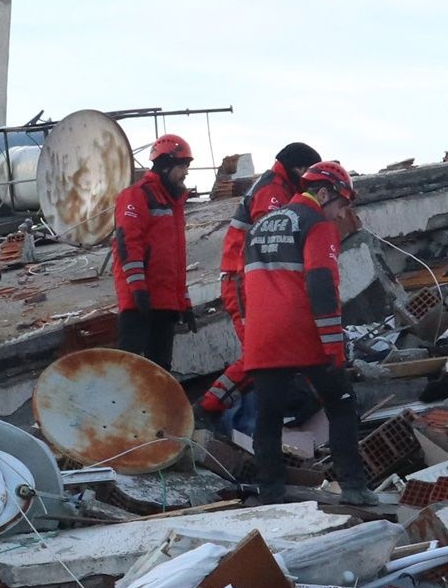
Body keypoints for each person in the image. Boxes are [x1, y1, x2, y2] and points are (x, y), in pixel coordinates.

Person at [230, 160, 371, 504]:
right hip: (304, 334)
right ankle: (353, 488)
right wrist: (334, 348)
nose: (341, 215)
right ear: (323, 194)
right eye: (341, 204)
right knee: (342, 406)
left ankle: (271, 494)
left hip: (263, 338)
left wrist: (251, 334)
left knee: (269, 417)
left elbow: (239, 288)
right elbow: (322, 286)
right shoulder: (317, 225)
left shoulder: (258, 227)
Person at [112, 133, 197, 371]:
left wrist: (185, 302)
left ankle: (156, 409)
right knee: (132, 370)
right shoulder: (138, 195)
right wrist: (138, 290)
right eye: (183, 166)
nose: (186, 172)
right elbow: (128, 244)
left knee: (159, 371)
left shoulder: (173, 203)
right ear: (166, 165)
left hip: (165, 302)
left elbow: (175, 262)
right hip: (140, 302)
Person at [219, 141, 320, 337]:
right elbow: (270, 241)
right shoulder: (272, 190)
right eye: (310, 173)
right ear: (299, 169)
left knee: (267, 348)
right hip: (242, 279)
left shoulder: (279, 186)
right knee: (259, 348)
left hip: (247, 276)